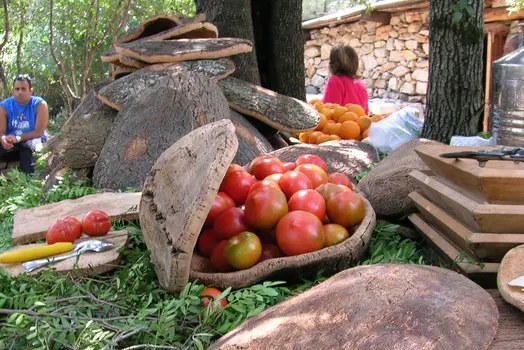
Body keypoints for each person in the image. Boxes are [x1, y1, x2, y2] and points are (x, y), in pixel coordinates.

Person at [0, 74, 49, 174]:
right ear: (13, 90)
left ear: (30, 91)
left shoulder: (39, 105)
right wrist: (3, 139)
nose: (20, 92)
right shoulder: (4, 106)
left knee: (31, 155)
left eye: (23, 89)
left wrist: (18, 138)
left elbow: (39, 132)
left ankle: (31, 182)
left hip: (31, 142)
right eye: (17, 89)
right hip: (11, 144)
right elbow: (1, 132)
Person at [322, 45, 369, 115]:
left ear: (333, 64)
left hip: (343, 124)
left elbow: (328, 112)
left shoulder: (335, 82)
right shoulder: (360, 84)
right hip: (358, 125)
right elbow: (366, 113)